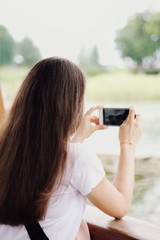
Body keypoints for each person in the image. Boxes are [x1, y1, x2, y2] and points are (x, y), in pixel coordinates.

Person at [0, 57, 142, 240]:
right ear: (70, 108)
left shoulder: (7, 151)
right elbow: (120, 206)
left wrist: (78, 139)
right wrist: (128, 144)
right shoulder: (76, 158)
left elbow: (57, 167)